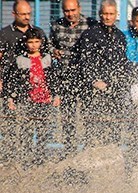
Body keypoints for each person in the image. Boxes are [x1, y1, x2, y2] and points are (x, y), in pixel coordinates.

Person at [3, 27, 61, 168]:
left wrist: (56, 95)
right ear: (26, 43)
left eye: (36, 41)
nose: (33, 44)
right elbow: (11, 81)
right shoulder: (20, 61)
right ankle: (26, 160)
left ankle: (40, 160)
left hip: (44, 100)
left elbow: (53, 79)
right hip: (27, 100)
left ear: (41, 42)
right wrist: (10, 98)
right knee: (26, 132)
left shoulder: (47, 59)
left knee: (42, 131)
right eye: (30, 41)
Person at [76, 0, 131, 148]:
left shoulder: (120, 36)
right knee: (93, 131)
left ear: (116, 15)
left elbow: (122, 63)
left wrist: (122, 82)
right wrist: (94, 80)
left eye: (111, 14)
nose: (108, 17)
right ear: (100, 14)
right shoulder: (90, 34)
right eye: (105, 13)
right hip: (94, 92)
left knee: (113, 132)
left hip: (114, 92)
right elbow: (85, 61)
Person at [0, 1, 49, 162]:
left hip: (36, 91)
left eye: (29, 13)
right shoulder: (5, 34)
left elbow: (46, 59)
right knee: (12, 127)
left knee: (39, 126)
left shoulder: (38, 32)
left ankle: (38, 161)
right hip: (11, 85)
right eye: (23, 14)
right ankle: (11, 160)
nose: (27, 17)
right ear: (14, 14)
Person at [50, 0, 99, 158]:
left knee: (88, 115)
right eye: (66, 11)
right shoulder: (57, 25)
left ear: (79, 8)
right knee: (68, 116)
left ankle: (88, 149)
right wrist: (53, 50)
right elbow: (49, 45)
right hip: (65, 77)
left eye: (72, 10)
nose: (70, 14)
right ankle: (69, 150)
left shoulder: (90, 24)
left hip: (85, 77)